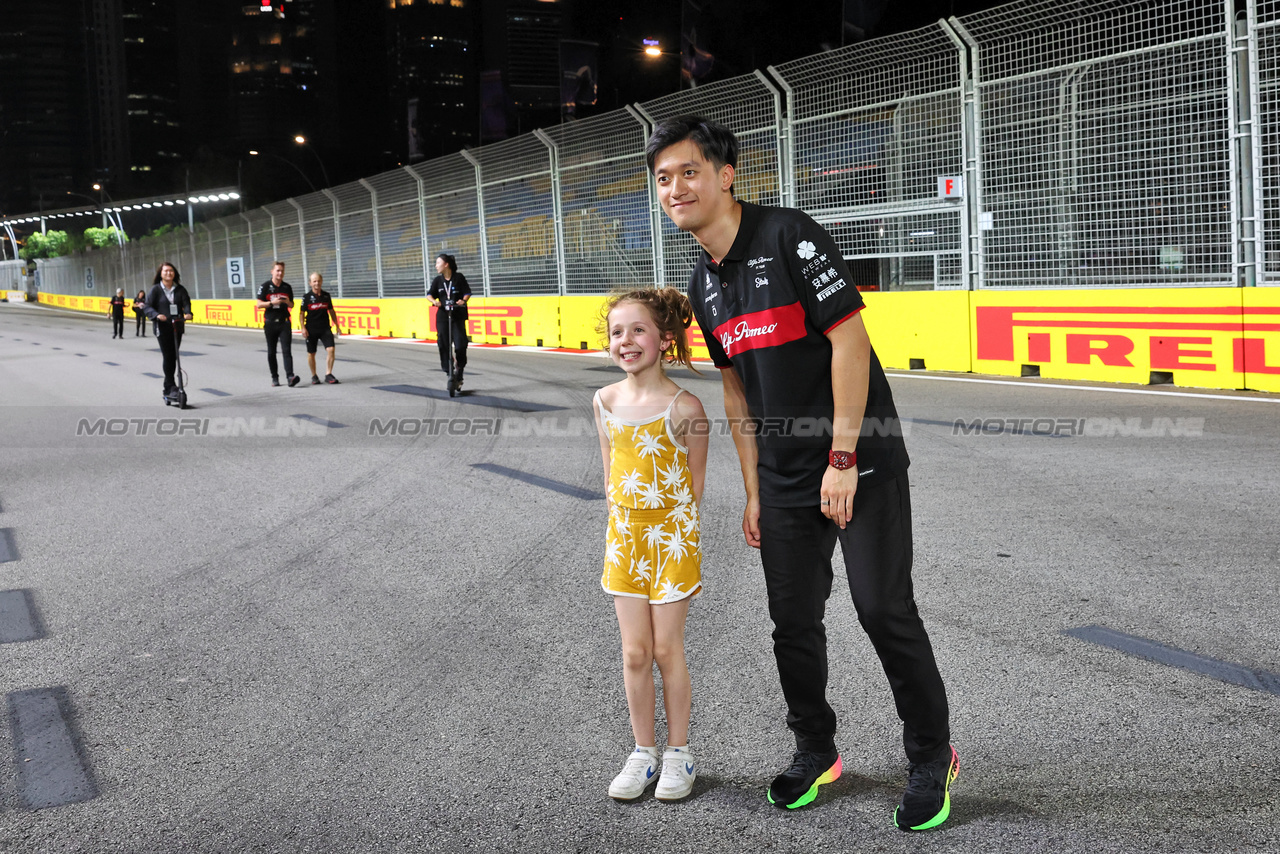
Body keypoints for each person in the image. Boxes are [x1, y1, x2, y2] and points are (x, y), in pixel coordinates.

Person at [646, 115, 956, 830]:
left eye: (689, 171)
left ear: (726, 175)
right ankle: (816, 749)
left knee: (883, 608)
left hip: (859, 455)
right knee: (793, 624)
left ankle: (931, 754)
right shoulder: (702, 277)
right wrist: (756, 489)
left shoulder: (790, 234)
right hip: (783, 476)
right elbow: (735, 390)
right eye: (664, 179)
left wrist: (843, 459)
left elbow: (850, 341)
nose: (676, 188)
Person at [593, 288, 709, 804]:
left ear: (664, 338)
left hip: (671, 538)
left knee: (666, 649)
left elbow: (695, 487)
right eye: (617, 331)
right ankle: (642, 752)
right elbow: (609, 473)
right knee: (635, 652)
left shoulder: (686, 407)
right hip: (625, 541)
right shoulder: (604, 401)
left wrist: (674, 535)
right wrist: (624, 529)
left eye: (637, 329)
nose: (626, 340)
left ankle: (679, 753)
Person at [142, 262, 192, 403]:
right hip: (162, 327)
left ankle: (169, 387)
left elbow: (186, 303)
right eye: (165, 271)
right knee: (168, 355)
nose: (168, 273)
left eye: (171, 271)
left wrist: (188, 313)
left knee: (174, 355)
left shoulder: (180, 289)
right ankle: (170, 386)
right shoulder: (156, 290)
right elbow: (147, 306)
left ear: (174, 273)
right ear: (160, 273)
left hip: (176, 326)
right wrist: (157, 315)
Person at [427, 253, 471, 386]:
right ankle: (448, 370)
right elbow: (429, 295)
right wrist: (434, 301)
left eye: (438, 263)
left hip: (457, 314)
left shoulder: (459, 277)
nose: (436, 266)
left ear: (446, 264)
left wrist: (462, 300)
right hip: (443, 316)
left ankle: (460, 368)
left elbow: (467, 292)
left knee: (461, 344)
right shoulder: (437, 281)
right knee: (443, 343)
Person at [256, 261, 299, 387]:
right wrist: (272, 303)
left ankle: (290, 377)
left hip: (284, 322)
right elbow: (259, 304)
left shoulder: (287, 287)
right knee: (271, 351)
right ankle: (275, 377)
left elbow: (292, 305)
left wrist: (286, 301)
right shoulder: (265, 286)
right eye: (278, 270)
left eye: (282, 271)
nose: (280, 273)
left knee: (287, 350)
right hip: (270, 323)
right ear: (272, 272)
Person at [299, 272, 341, 384]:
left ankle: (328, 374)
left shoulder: (326, 296)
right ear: (310, 283)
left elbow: (331, 311)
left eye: (318, 281)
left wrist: (337, 325)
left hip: (325, 328)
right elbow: (301, 313)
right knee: (311, 353)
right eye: (314, 281)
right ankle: (314, 376)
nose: (317, 283)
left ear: (321, 281)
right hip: (311, 329)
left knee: (331, 349)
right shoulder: (306, 297)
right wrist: (303, 328)